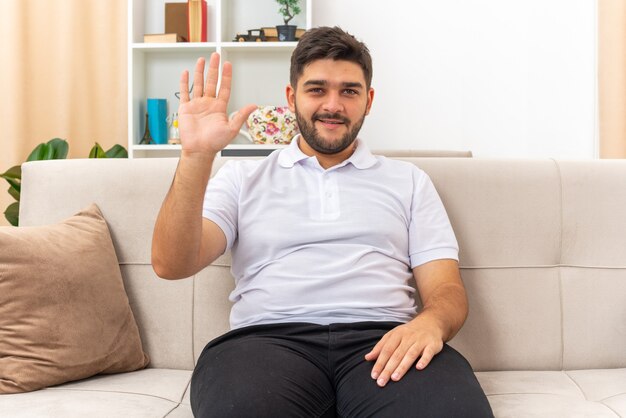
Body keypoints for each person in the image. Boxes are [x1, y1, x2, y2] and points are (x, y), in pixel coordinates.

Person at [152, 26, 493, 418]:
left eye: (349, 91)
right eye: (316, 89)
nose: (333, 104)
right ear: (290, 96)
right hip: (265, 342)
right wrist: (196, 158)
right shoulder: (241, 177)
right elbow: (171, 264)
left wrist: (430, 324)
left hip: (385, 341)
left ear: (369, 100)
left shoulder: (409, 181)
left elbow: (447, 288)